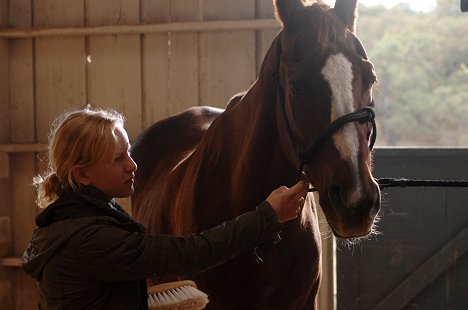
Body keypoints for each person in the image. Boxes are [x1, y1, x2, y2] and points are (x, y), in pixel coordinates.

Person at [22, 108, 308, 310]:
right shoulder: (90, 239)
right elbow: (189, 253)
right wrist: (267, 216)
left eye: (130, 152)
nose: (132, 166)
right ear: (82, 175)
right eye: (118, 158)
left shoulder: (71, 220)